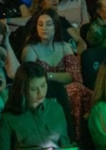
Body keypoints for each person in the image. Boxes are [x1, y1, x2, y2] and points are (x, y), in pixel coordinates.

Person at [21, 9, 92, 140]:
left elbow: (75, 76)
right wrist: (61, 77)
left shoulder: (64, 46)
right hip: (43, 93)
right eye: (40, 24)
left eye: (48, 24)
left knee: (84, 91)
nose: (44, 28)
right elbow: (31, 79)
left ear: (56, 26)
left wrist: (47, 75)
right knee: (77, 89)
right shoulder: (30, 49)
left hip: (70, 89)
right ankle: (75, 137)